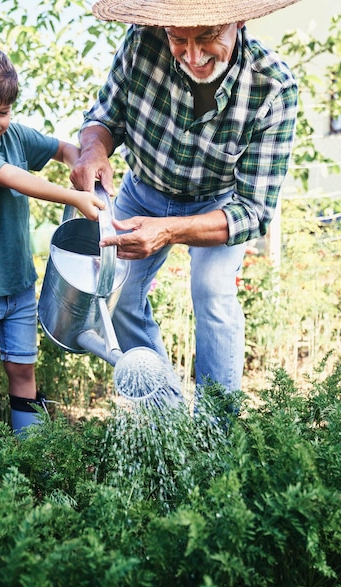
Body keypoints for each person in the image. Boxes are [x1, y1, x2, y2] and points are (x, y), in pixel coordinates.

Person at [70, 0, 301, 404]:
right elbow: (104, 119)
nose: (193, 56)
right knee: (119, 294)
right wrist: (93, 151)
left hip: (217, 205)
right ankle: (168, 414)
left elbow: (254, 212)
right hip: (143, 189)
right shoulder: (142, 43)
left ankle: (218, 430)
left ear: (239, 20)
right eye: (179, 39)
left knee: (212, 290)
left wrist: (170, 230)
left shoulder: (273, 87)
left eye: (208, 37)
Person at [0, 42, 105, 442]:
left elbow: (62, 149)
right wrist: (74, 198)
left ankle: (28, 456)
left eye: (2, 111)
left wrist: (84, 163)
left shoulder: (14, 135)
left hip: (19, 284)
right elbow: (16, 179)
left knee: (23, 370)